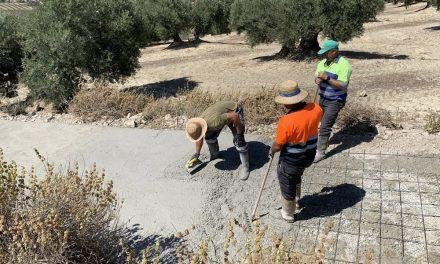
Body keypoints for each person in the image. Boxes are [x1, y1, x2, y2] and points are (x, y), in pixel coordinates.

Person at [269, 80, 323, 222]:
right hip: (309, 155)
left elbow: (279, 145)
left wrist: (272, 149)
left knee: (287, 182)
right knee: (297, 176)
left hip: (292, 160)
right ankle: (297, 202)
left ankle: (288, 213)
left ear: (286, 103)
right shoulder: (316, 108)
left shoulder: (286, 121)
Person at [185, 101, 250, 180]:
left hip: (234, 111)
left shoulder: (214, 123)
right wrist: (197, 154)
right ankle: (215, 156)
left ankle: (246, 167)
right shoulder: (198, 124)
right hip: (222, 115)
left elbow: (235, 116)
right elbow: (199, 138)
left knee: (239, 142)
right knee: (209, 137)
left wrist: (239, 134)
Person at [314, 40, 352, 163]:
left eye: (326, 53)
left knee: (325, 126)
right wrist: (317, 80)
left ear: (334, 51)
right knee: (318, 123)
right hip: (323, 98)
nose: (324, 55)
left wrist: (327, 78)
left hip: (335, 100)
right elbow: (317, 77)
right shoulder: (322, 63)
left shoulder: (344, 65)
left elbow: (343, 85)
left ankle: (320, 153)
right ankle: (320, 143)